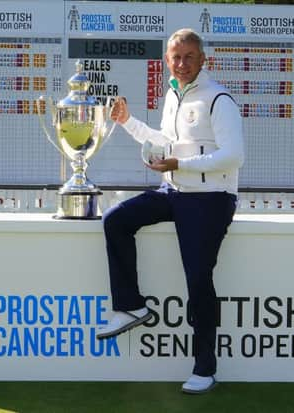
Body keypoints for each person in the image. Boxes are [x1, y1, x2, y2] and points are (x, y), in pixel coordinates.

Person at [96, 28, 244, 394]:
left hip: (211, 197)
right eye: (175, 57)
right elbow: (165, 142)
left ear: (203, 59)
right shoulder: (172, 96)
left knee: (197, 279)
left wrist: (182, 163)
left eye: (189, 57)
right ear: (167, 60)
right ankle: (131, 307)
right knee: (116, 220)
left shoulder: (219, 98)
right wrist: (128, 122)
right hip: (174, 191)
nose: (181, 64)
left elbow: (234, 155)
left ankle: (205, 368)